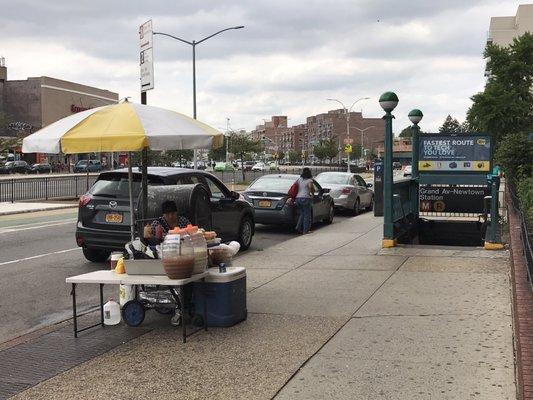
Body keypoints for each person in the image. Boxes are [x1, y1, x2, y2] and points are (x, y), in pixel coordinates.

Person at [295, 167, 314, 234]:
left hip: (298, 198)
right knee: (307, 215)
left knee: (302, 214)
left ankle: (298, 227)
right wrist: (312, 193)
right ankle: (305, 230)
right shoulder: (310, 180)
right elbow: (311, 187)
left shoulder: (299, 179)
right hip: (305, 198)